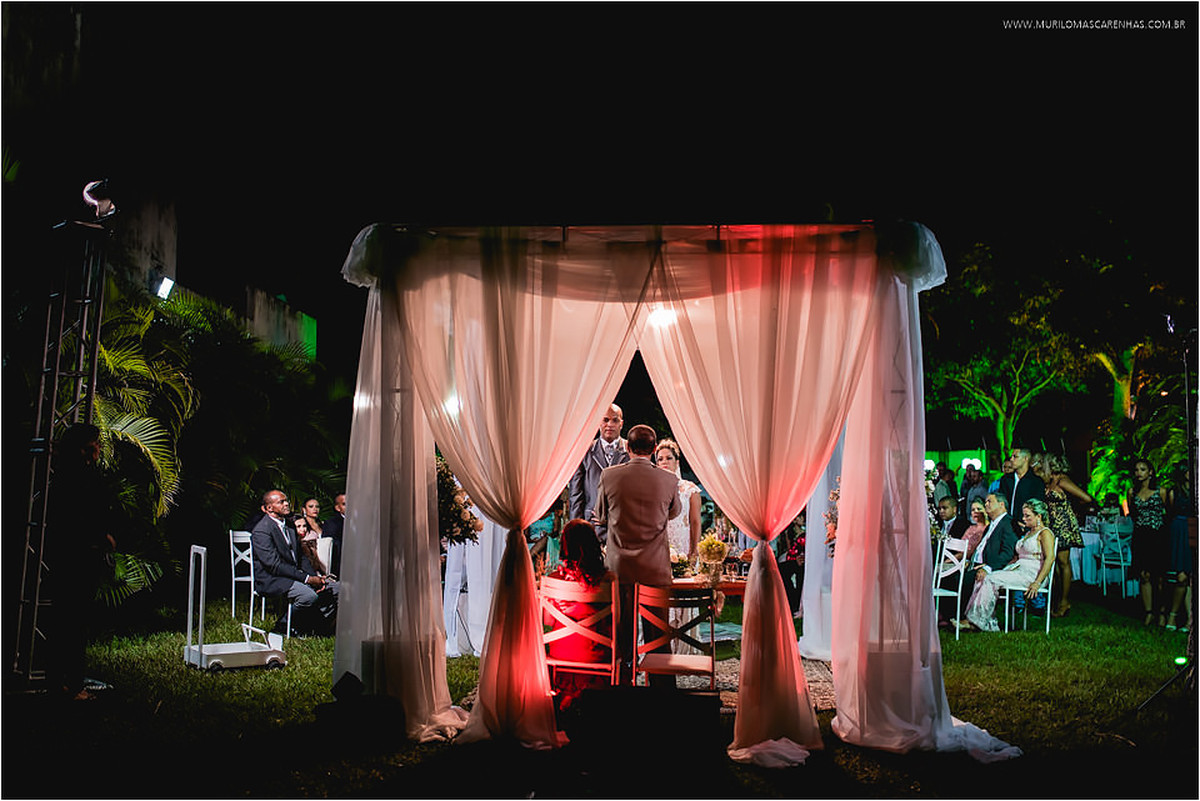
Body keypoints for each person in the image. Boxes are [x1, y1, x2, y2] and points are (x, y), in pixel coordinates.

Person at [595, 424, 680, 685]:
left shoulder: (609, 476)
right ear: (654, 450)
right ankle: (661, 691)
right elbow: (674, 512)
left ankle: (622, 686)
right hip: (654, 570)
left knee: (621, 635)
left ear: (627, 448)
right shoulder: (669, 480)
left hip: (620, 569)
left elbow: (600, 515)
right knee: (657, 635)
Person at [45, 423, 116, 700]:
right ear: (86, 447)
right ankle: (73, 685)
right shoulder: (81, 478)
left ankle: (59, 680)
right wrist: (102, 537)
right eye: (95, 444)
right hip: (79, 556)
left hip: (70, 555)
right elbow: (82, 516)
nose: (99, 448)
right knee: (73, 622)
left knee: (64, 620)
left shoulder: (66, 475)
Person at [542, 519, 615, 710]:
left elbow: (547, 621)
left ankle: (566, 695)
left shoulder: (553, 580)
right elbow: (617, 622)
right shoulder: (609, 580)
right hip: (595, 654)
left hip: (562, 652)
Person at [961, 499, 1056, 632]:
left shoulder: (1045, 533)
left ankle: (976, 621)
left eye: (1027, 516)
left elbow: (1050, 558)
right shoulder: (1028, 533)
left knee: (991, 579)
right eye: (1024, 515)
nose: (1024, 518)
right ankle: (986, 622)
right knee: (984, 576)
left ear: (1038, 516)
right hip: (1018, 569)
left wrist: (1037, 582)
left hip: (1033, 574)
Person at [251, 490, 338, 632]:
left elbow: (301, 556)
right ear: (268, 508)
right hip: (273, 578)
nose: (287, 504)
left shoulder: (290, 525)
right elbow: (274, 565)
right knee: (307, 596)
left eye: (286, 501)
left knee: (338, 589)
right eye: (281, 502)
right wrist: (307, 579)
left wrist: (314, 577)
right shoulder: (262, 531)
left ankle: (317, 626)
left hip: (294, 574)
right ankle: (283, 625)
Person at [1032, 453, 1094, 618]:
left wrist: (1071, 509)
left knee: (1063, 562)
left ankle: (1065, 602)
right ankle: (1059, 599)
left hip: (1064, 525)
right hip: (1052, 526)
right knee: (1056, 565)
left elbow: (1087, 498)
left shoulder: (1062, 480)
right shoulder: (1050, 481)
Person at [568, 404, 629, 543]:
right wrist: (576, 530)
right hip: (591, 526)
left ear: (621, 423)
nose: (610, 425)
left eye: (615, 420)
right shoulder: (585, 450)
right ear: (599, 422)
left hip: (623, 527)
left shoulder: (630, 451)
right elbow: (576, 494)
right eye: (605, 420)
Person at [956, 492, 1019, 617]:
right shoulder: (991, 525)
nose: (986, 504)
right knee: (949, 577)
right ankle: (947, 615)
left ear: (1001, 505)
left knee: (960, 580)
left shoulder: (1008, 524)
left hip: (991, 567)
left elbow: (1008, 553)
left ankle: (963, 616)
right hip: (976, 564)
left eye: (989, 501)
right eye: (985, 502)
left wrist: (987, 567)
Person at [1129, 458, 1170, 626]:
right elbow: (1132, 513)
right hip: (1141, 535)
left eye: (1143, 469)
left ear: (1150, 472)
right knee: (1144, 575)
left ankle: (1161, 611)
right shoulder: (1132, 492)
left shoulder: (1161, 491)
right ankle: (1148, 612)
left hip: (1158, 535)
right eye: (1137, 469)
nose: (1139, 473)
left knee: (1159, 576)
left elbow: (1168, 513)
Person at [654, 438, 701, 563]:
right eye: (660, 459)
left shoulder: (690, 489)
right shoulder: (652, 489)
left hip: (683, 547)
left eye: (669, 458)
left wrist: (694, 551)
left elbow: (695, 522)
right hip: (657, 547)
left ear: (677, 462)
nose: (664, 462)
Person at [1165, 468, 1194, 632]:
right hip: (1180, 531)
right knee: (1181, 576)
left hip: (1194, 529)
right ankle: (1173, 615)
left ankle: (1190, 620)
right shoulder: (1175, 491)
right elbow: (1169, 513)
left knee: (1191, 578)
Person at [998, 447, 1045, 536]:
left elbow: (1038, 506)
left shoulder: (1036, 482)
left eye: (1015, 457)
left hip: (1026, 528)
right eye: (1011, 456)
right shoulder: (1006, 480)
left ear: (1025, 459)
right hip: (1006, 527)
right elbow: (1001, 501)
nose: (1011, 459)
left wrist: (1028, 523)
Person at [322, 492, 345, 575]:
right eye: (344, 504)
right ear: (337, 508)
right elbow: (331, 547)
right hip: (341, 567)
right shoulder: (331, 523)